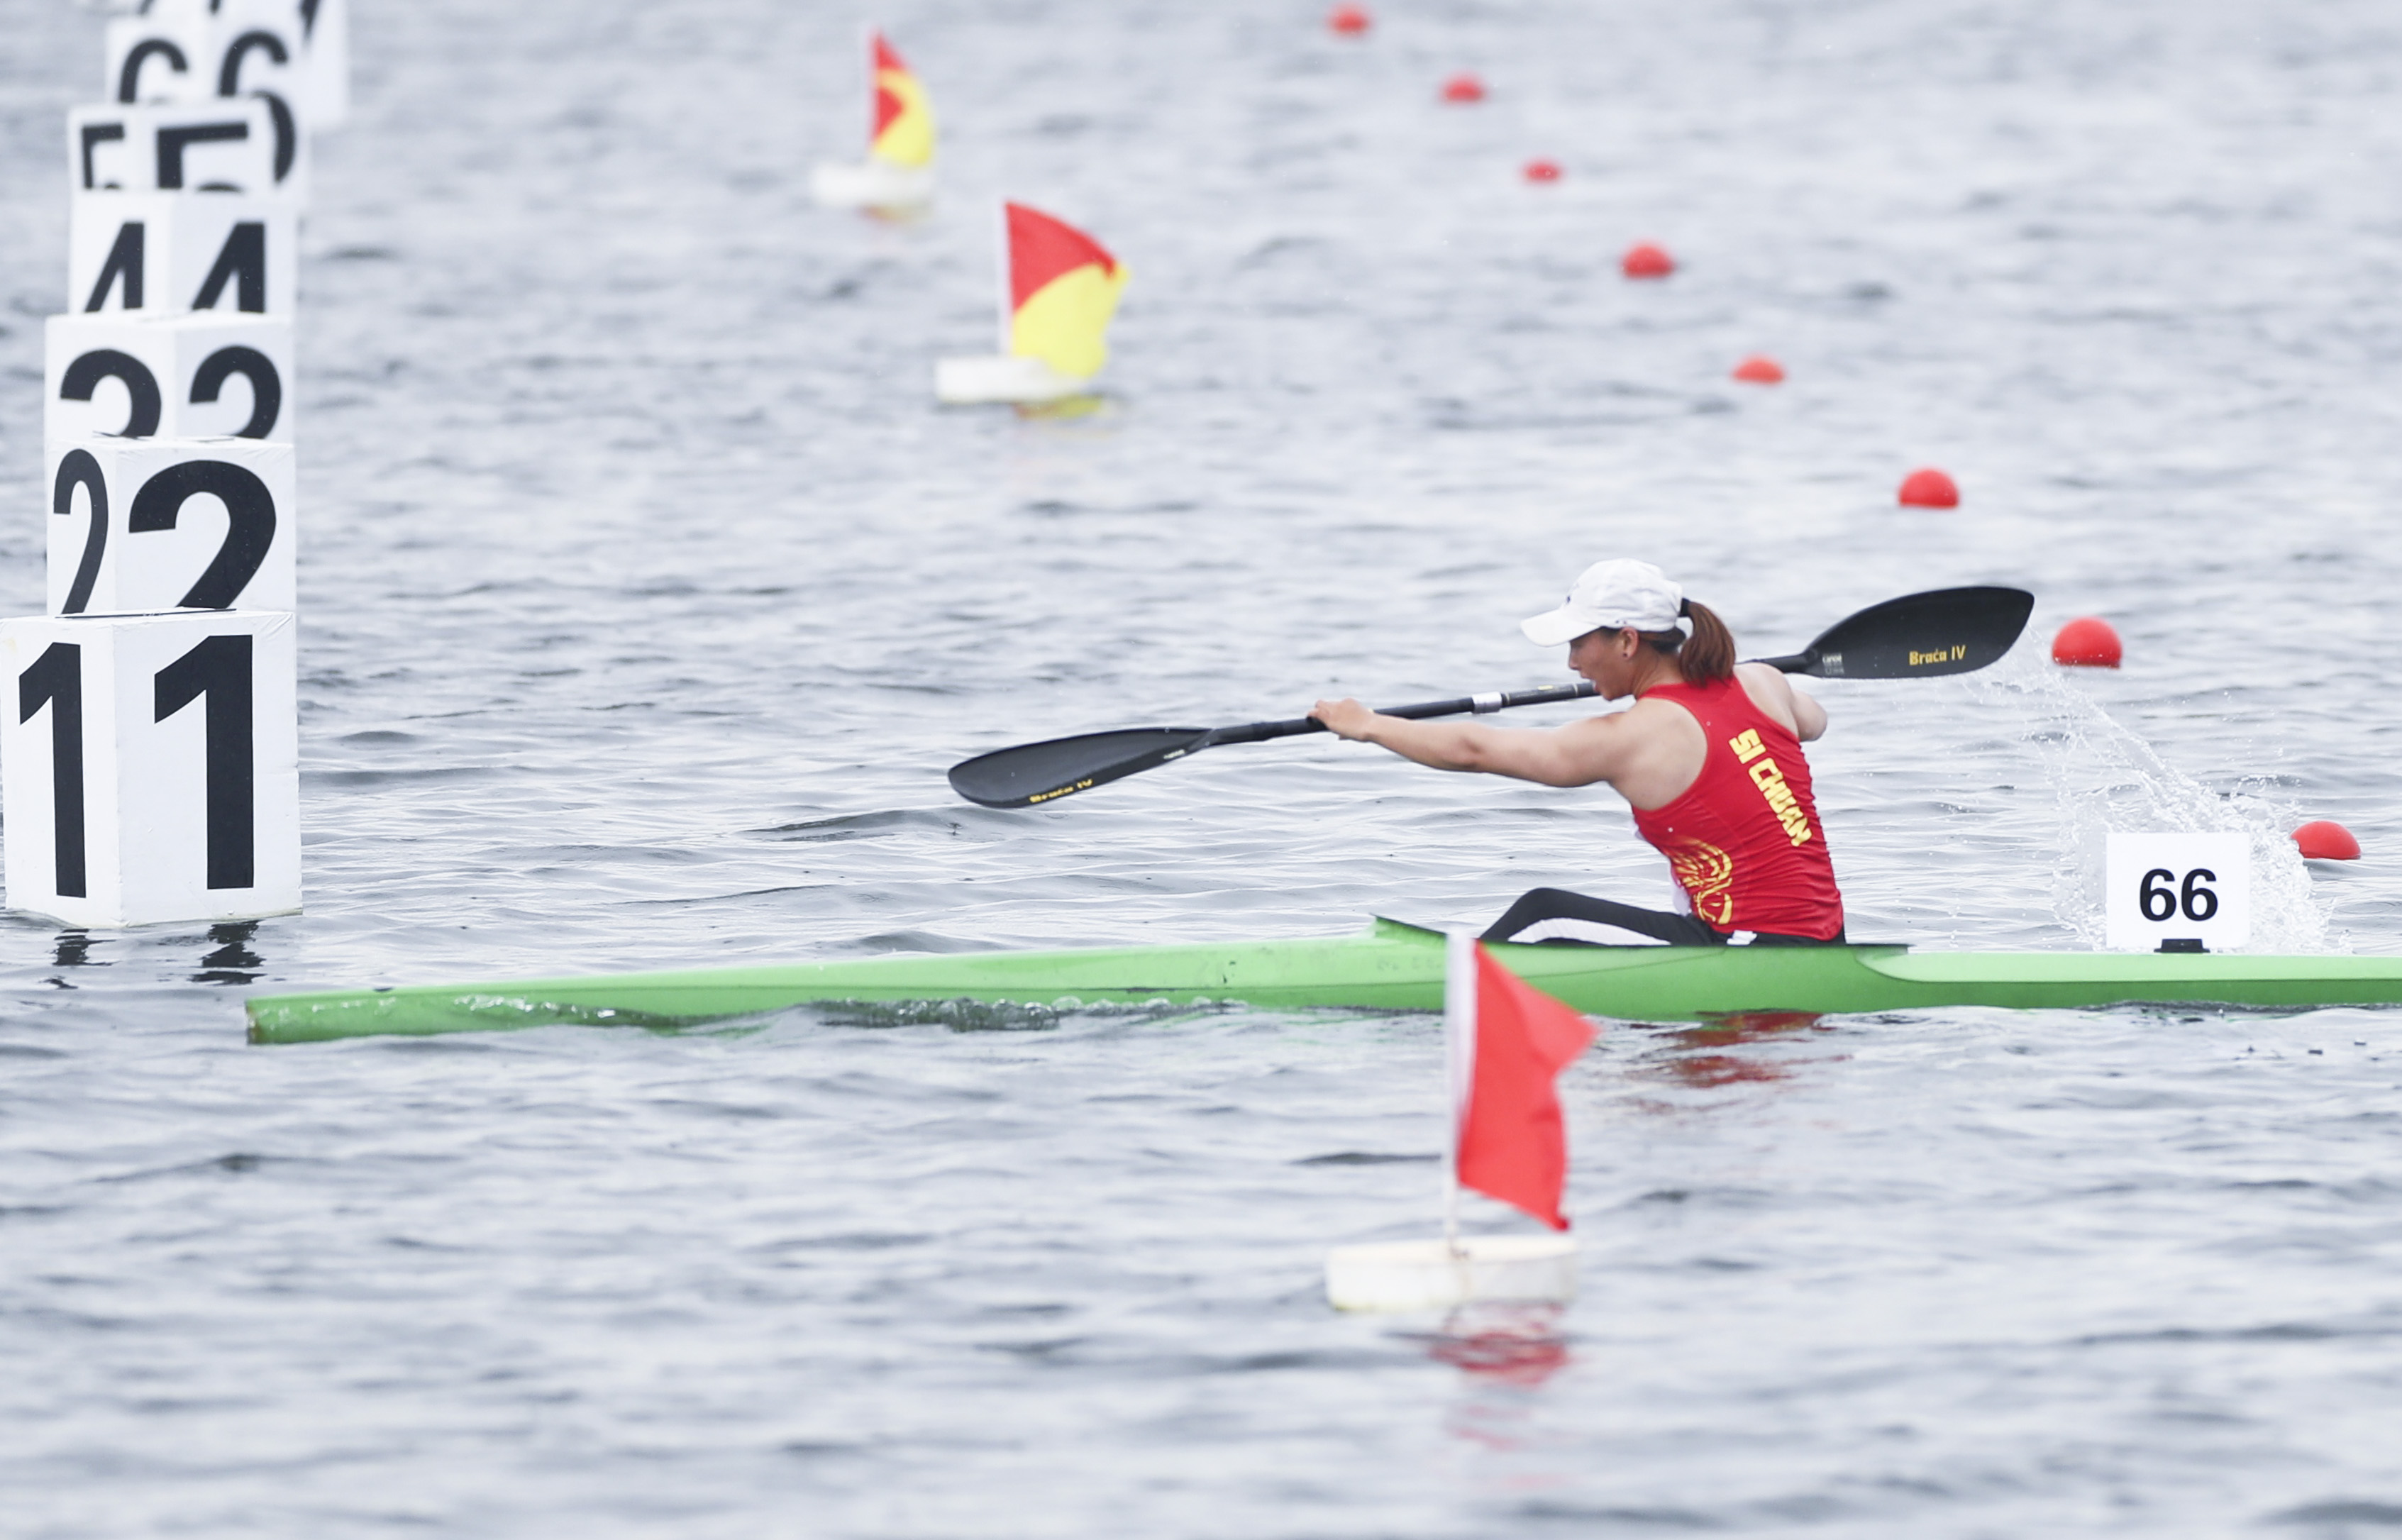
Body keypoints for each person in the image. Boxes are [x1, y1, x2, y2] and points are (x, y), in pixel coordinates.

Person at [1308, 559, 1847, 946]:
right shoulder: (1763, 681)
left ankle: (1453, 992)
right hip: (1822, 937)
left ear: (1628, 642)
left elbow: (1474, 749)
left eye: (1578, 644)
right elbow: (1814, 722)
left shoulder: (1633, 735)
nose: (1571, 665)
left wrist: (1370, 725)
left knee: (1546, 916)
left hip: (1751, 948)